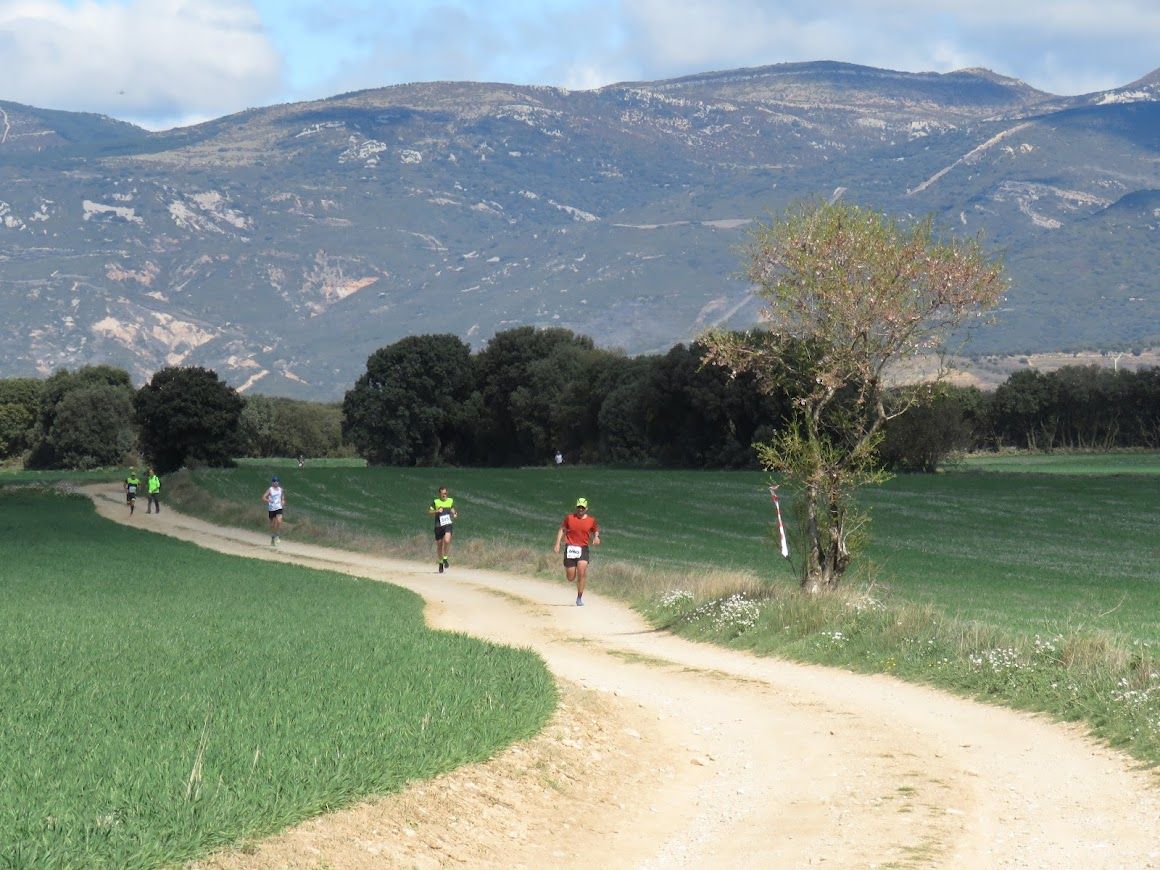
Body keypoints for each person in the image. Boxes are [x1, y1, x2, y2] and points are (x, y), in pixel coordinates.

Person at [554, 497, 600, 606]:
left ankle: (579, 598)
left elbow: (595, 530)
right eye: (579, 507)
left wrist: (596, 537)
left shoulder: (591, 520)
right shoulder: (569, 518)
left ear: (586, 508)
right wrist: (557, 544)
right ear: (576, 507)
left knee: (582, 573)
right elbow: (562, 529)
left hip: (583, 548)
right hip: (570, 548)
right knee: (571, 577)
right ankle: (570, 573)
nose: (580, 509)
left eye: (582, 507)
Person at [428, 486, 457, 573]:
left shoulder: (450, 500)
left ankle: (445, 558)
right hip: (438, 525)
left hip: (447, 524)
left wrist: (454, 513)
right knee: (439, 545)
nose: (444, 495)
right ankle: (440, 563)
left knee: (447, 540)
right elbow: (429, 512)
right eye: (442, 493)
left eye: (445, 493)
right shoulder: (436, 502)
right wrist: (436, 511)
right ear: (439, 494)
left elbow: (452, 508)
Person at [262, 476, 285, 545]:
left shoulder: (281, 490)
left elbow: (282, 497)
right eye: (274, 481)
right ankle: (273, 537)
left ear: (278, 482)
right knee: (272, 524)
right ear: (272, 482)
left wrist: (283, 501)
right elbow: (263, 497)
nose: (276, 483)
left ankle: (277, 535)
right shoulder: (270, 490)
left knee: (279, 521)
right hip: (272, 508)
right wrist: (268, 500)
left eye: (277, 481)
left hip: (278, 507)